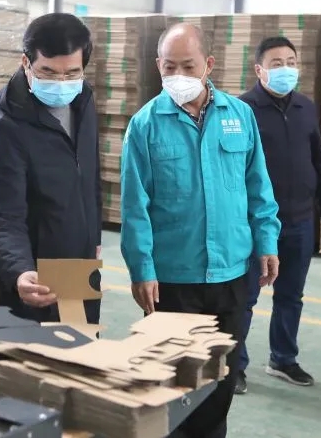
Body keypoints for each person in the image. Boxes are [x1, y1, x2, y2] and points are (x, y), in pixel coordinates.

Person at [120, 22, 281, 438]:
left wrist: (266, 241)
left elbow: (258, 186)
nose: (178, 75)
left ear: (209, 64)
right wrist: (142, 269)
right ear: (157, 65)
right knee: (173, 384)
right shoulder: (145, 125)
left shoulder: (239, 116)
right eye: (169, 66)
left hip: (231, 274)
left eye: (188, 66)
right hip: (174, 280)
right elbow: (134, 207)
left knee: (219, 381)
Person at [235, 36, 321, 394]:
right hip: (255, 223)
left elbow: (319, 160)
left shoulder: (305, 107)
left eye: (291, 62)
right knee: (245, 297)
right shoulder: (241, 110)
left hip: (299, 220)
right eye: (276, 63)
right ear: (259, 69)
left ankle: (282, 358)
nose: (286, 69)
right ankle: (234, 365)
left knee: (291, 295)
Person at [0, 13, 102, 325]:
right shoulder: (6, 127)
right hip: (37, 275)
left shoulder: (84, 102)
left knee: (84, 346)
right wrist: (19, 271)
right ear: (26, 63)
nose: (61, 83)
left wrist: (94, 235)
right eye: (48, 72)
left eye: (71, 73)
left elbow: (89, 176)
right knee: (36, 352)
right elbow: (3, 213)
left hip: (79, 265)